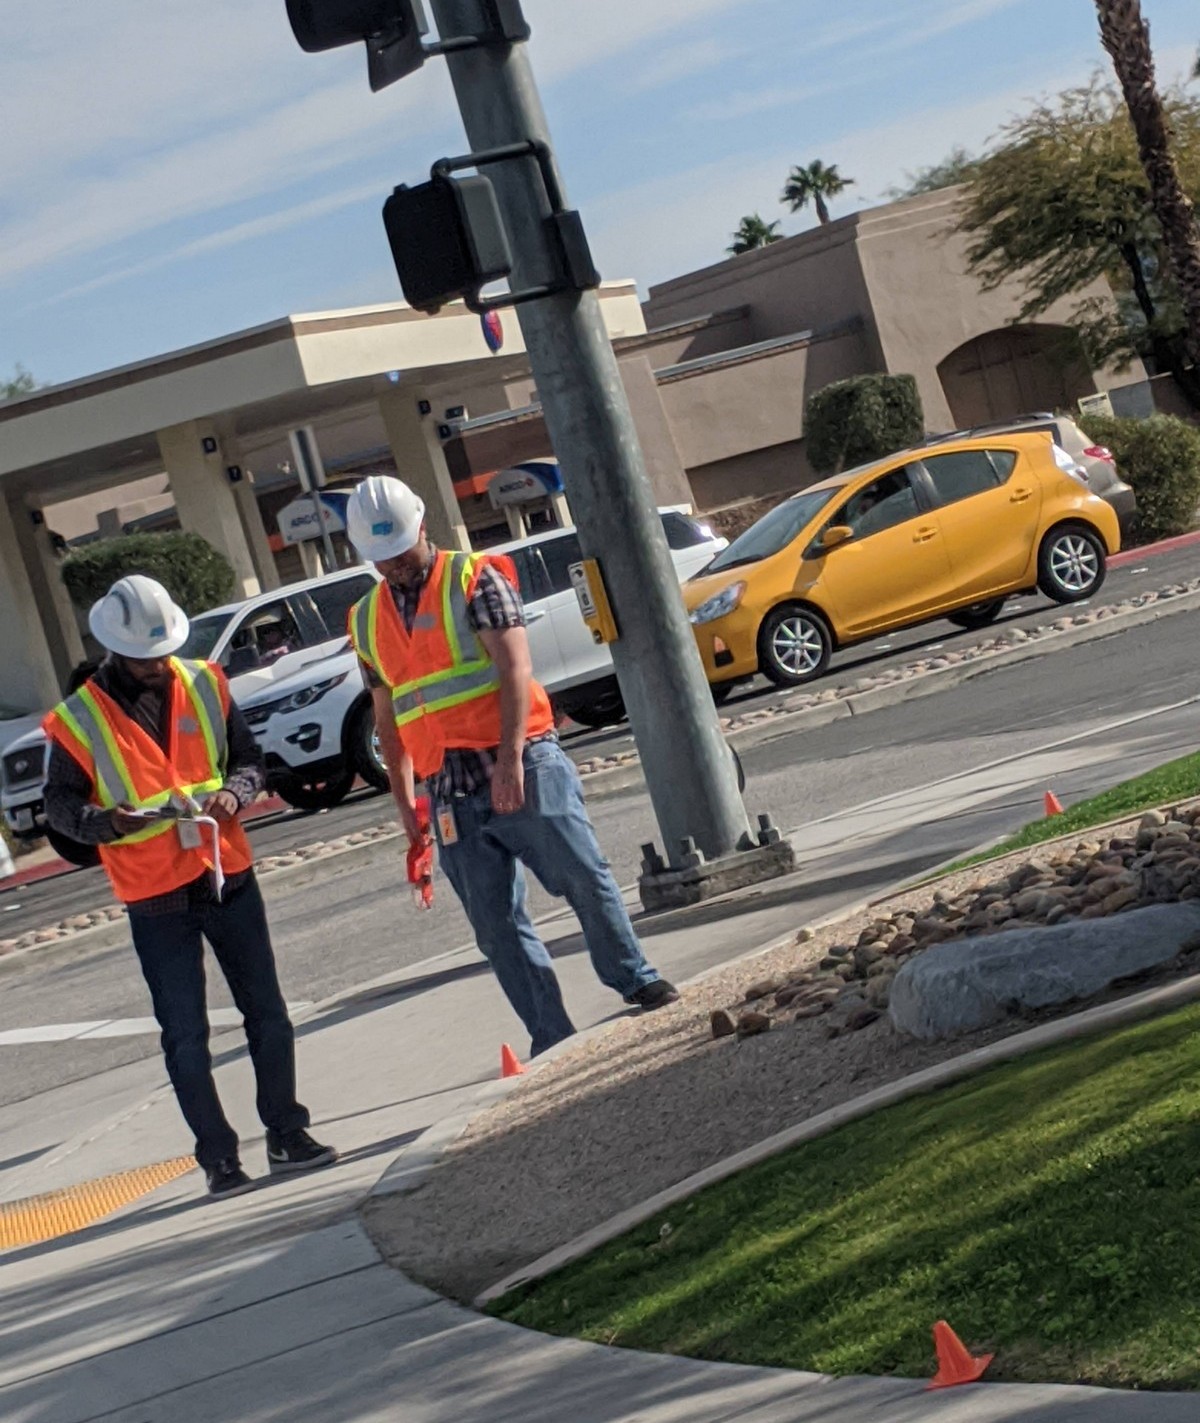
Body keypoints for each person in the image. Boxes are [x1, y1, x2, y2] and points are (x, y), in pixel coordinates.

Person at [346, 475, 679, 1057]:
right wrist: (407, 808)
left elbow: (514, 673)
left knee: (582, 874)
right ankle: (549, 1033)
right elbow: (388, 719)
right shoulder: (365, 618)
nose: (393, 565)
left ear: (422, 527)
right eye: (380, 558)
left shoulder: (474, 578)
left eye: (399, 550)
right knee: (495, 927)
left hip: (521, 758)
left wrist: (508, 763)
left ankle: (634, 976)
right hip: (447, 786)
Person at [42, 575, 336, 1198]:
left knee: (268, 1013)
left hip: (225, 870)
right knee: (185, 1035)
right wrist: (112, 822)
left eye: (163, 650)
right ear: (114, 649)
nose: (158, 664)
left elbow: (249, 761)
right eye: (145, 656)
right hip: (154, 893)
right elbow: (60, 810)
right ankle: (219, 1159)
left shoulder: (205, 683)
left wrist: (236, 793)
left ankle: (287, 1131)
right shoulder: (78, 719)